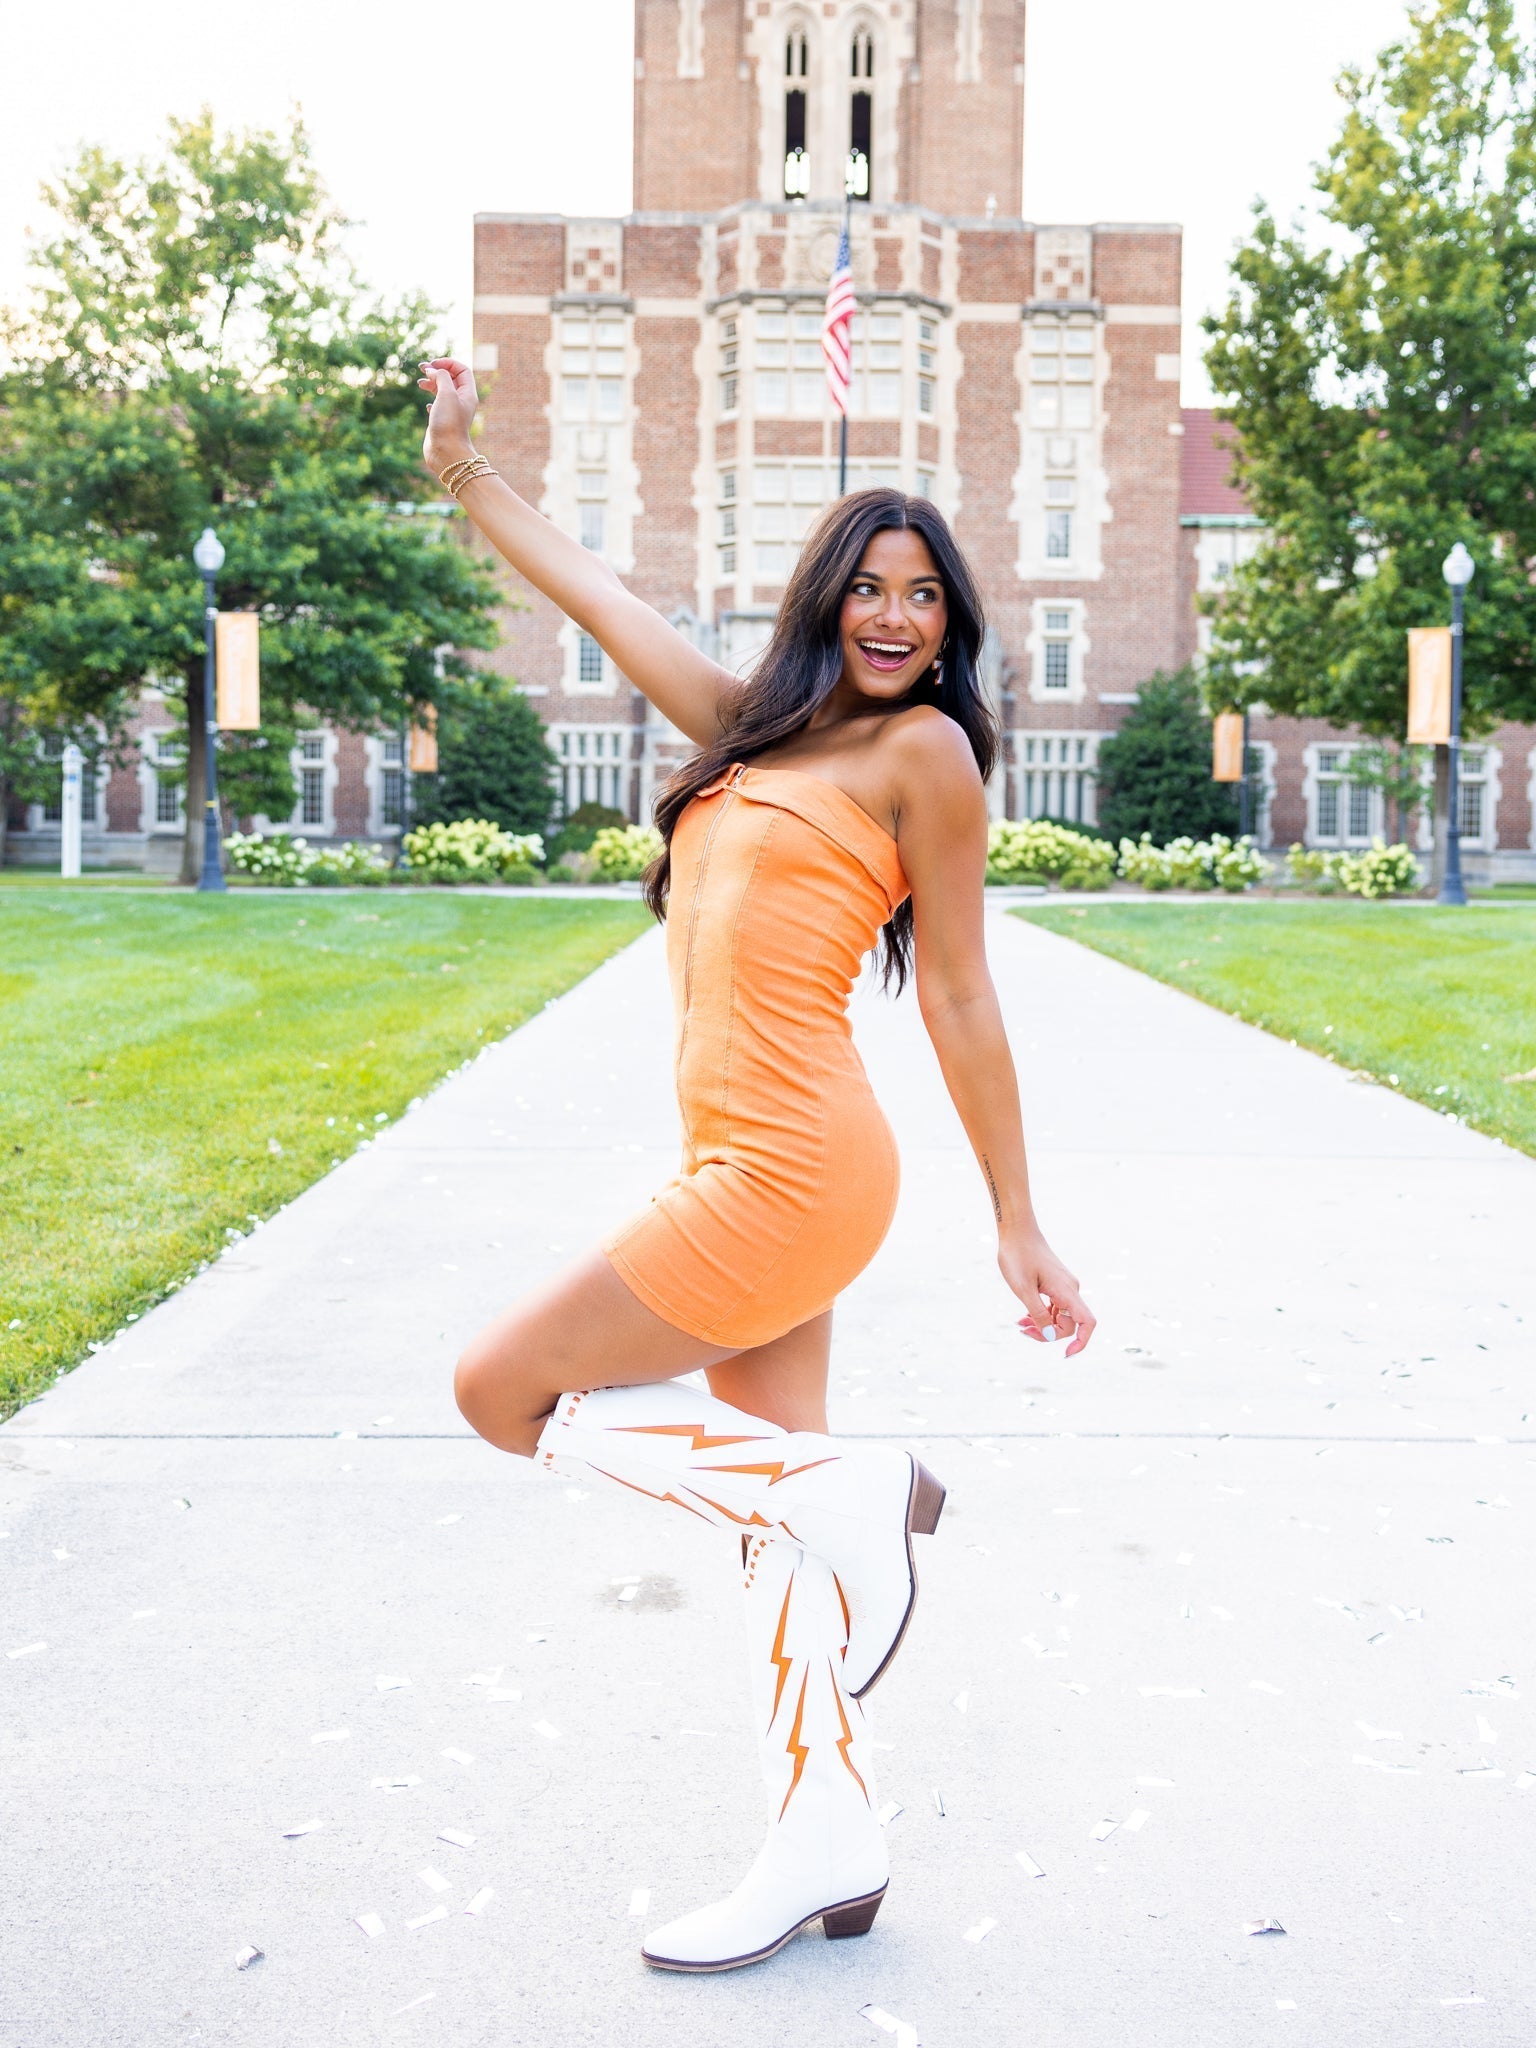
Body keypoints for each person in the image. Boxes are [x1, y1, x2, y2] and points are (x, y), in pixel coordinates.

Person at [417, 357, 1096, 1973]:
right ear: (823, 601)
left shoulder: (926, 758)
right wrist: (461, 471)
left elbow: (961, 991)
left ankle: (862, 1492)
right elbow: (590, 585)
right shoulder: (744, 729)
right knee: (770, 1526)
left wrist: (1019, 1223)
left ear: (950, 629)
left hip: (794, 1171)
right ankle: (824, 1840)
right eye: (868, 587)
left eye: (923, 597)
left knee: (496, 1390)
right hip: (747, 1160)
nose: (894, 615)